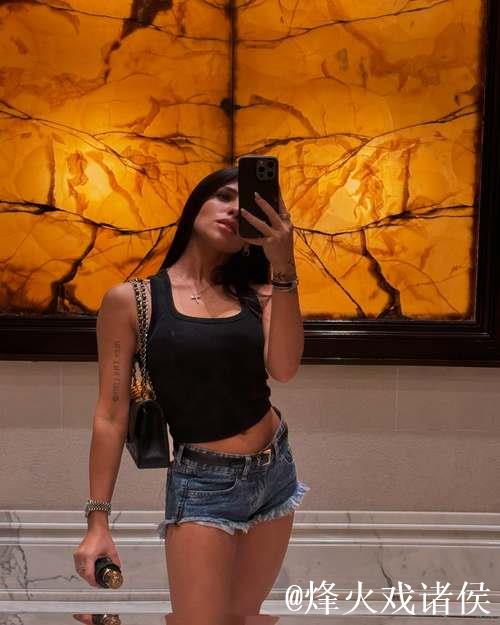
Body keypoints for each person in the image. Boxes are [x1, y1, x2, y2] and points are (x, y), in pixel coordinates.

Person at [72, 166, 310, 625]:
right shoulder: (131, 300)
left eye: (247, 207)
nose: (233, 210)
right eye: (223, 196)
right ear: (195, 205)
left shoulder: (262, 294)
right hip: (203, 482)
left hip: (274, 469)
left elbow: (284, 368)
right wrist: (97, 521)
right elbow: (110, 414)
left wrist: (285, 265)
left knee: (242, 617)